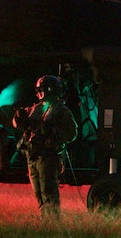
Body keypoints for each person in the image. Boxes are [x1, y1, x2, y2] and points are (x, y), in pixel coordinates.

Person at [12, 75, 78, 220]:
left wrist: (52, 132)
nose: (39, 93)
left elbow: (72, 133)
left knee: (48, 191)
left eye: (42, 90)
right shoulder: (34, 109)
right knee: (38, 193)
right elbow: (18, 125)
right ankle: (45, 219)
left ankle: (53, 220)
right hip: (32, 156)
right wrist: (18, 116)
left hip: (49, 156)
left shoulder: (61, 110)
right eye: (38, 90)